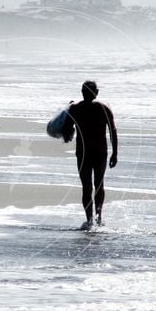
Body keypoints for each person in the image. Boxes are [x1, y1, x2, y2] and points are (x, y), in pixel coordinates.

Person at [62, 80, 118, 228]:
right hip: (100, 153)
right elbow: (113, 131)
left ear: (82, 92)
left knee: (87, 187)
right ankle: (98, 219)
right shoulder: (103, 108)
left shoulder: (75, 109)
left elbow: (66, 132)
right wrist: (115, 153)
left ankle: (90, 221)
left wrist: (67, 113)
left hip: (84, 153)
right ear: (97, 92)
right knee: (98, 185)